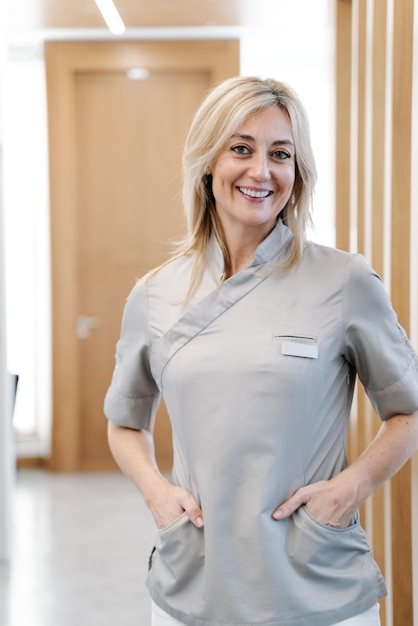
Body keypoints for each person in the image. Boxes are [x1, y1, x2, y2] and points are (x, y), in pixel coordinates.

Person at [104, 76, 418, 626]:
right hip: (193, 580)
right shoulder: (155, 294)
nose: (261, 171)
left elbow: (407, 410)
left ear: (297, 175)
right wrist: (156, 491)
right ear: (208, 161)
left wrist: (353, 486)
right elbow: (125, 423)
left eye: (281, 154)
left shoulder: (344, 281)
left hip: (315, 580)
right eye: (241, 148)